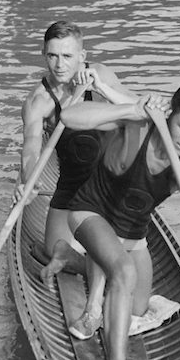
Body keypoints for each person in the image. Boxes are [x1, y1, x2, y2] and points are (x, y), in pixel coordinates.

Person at [58, 81, 180, 360]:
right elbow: (70, 116)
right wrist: (131, 108)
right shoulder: (138, 125)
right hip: (89, 212)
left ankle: (73, 259)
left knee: (137, 308)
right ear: (169, 114)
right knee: (124, 272)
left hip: (132, 233)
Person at [17, 20, 137, 339]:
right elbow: (31, 148)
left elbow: (139, 109)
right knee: (49, 249)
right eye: (52, 56)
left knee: (94, 226)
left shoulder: (102, 74)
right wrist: (27, 180)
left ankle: (96, 303)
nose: (60, 64)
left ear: (83, 55)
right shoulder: (38, 101)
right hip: (71, 184)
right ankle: (100, 264)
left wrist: (100, 90)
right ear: (44, 55)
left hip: (111, 181)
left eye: (68, 56)